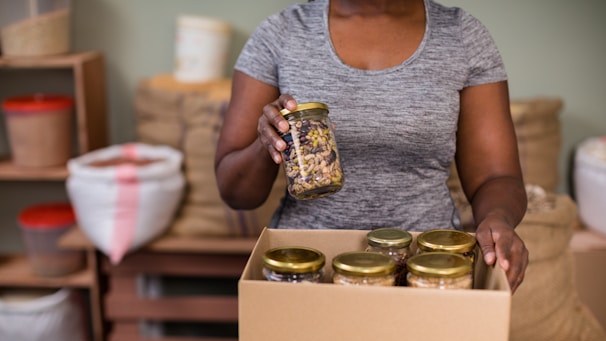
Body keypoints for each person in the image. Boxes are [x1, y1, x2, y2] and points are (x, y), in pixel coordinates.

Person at [214, 0, 529, 292]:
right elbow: (236, 193)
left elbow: (496, 176)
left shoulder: (461, 36)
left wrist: (497, 220)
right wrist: (266, 143)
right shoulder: (281, 33)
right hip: (306, 269)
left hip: (429, 268)